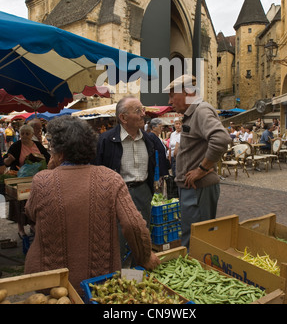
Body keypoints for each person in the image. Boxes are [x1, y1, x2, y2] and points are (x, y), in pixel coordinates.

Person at [24, 116, 159, 294]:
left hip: (51, 282)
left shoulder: (42, 180)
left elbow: (31, 213)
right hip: (97, 282)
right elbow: (133, 223)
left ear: (60, 152)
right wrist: (145, 256)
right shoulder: (111, 178)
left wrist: (51, 171)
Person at [165, 74, 232, 249]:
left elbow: (221, 139)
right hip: (192, 187)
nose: (170, 101)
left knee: (198, 239)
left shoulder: (201, 110)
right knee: (192, 235)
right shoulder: (192, 113)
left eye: (173, 95)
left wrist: (201, 169)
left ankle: (199, 271)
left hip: (198, 186)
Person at [95, 96, 155, 229]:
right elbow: (96, 171)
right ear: (123, 118)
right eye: (138, 111)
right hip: (117, 195)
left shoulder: (148, 140)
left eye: (143, 110)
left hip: (143, 192)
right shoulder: (106, 140)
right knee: (118, 238)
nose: (143, 114)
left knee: (142, 236)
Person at [3, 124, 50, 238]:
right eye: (22, 133)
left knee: (34, 203)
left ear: (32, 135)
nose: (24, 136)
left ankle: (32, 225)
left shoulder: (38, 145)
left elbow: (48, 158)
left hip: (37, 179)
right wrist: (9, 159)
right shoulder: (16, 146)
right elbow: (6, 162)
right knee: (21, 204)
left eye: (27, 134)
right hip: (20, 178)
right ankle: (21, 229)